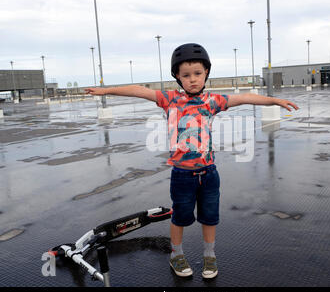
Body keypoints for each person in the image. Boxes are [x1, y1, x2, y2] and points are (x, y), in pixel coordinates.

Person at [85, 43, 299, 279]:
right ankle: (176, 254)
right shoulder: (169, 99)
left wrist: (274, 101)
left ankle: (210, 256)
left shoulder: (213, 101)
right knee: (180, 218)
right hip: (182, 175)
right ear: (177, 76)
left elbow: (245, 98)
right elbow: (139, 90)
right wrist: (106, 92)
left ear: (206, 73)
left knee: (209, 218)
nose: (193, 80)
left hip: (208, 174)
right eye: (186, 75)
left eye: (197, 73)